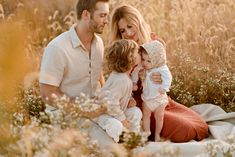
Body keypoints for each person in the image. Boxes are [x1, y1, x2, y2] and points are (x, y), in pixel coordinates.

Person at [109, 4, 209, 142]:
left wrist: (161, 79)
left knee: (200, 126)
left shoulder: (155, 43)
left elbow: (165, 73)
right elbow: (119, 83)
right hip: (142, 105)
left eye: (130, 26)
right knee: (186, 130)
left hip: (162, 100)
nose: (128, 33)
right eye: (122, 30)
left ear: (138, 22)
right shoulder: (124, 54)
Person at [39, 0, 109, 111]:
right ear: (86, 15)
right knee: (115, 127)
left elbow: (98, 74)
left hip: (94, 108)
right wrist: (81, 111)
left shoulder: (99, 43)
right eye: (102, 15)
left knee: (131, 116)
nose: (106, 21)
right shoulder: (57, 47)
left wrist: (106, 100)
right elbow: (47, 93)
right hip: (65, 114)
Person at [97, 39, 142, 142]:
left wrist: (129, 99)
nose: (140, 54)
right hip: (104, 115)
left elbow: (119, 96)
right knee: (115, 125)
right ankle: (119, 143)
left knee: (136, 112)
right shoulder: (121, 79)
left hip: (115, 112)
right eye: (137, 52)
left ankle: (133, 138)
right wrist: (122, 119)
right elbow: (110, 104)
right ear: (131, 58)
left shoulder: (125, 77)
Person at [140, 40, 172, 141]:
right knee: (146, 115)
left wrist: (164, 87)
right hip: (147, 98)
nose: (145, 63)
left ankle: (157, 134)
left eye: (149, 61)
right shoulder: (144, 68)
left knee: (159, 117)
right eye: (143, 59)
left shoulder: (162, 68)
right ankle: (147, 134)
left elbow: (168, 77)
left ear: (156, 60)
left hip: (159, 98)